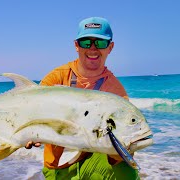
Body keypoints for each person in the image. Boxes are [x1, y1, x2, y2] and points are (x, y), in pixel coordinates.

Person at [25, 17, 139, 179]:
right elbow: (30, 110)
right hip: (59, 164)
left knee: (127, 171)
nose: (93, 49)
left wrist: (126, 147)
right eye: (86, 42)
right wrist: (28, 133)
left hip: (96, 160)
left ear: (110, 47)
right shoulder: (56, 78)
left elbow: (124, 145)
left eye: (100, 43)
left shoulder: (115, 91)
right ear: (76, 45)